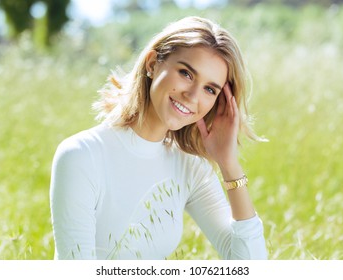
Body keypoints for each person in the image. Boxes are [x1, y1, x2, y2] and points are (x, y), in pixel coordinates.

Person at [50, 16, 267, 260]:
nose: (193, 96)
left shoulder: (189, 166)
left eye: (210, 89)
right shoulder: (81, 155)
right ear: (152, 64)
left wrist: (229, 165)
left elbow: (250, 266)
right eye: (186, 73)